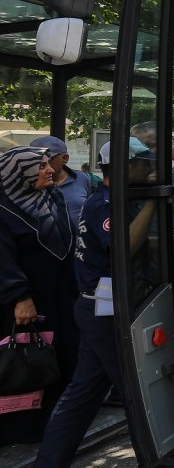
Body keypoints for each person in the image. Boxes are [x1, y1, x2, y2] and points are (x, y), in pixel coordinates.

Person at [35, 139, 174, 468]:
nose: (150, 168)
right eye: (143, 164)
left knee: (83, 394)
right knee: (134, 388)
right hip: (105, 309)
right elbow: (125, 245)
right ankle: (156, 458)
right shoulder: (105, 203)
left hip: (103, 307)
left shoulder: (114, 200)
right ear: (126, 167)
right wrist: (155, 201)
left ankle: (50, 461)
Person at [0, 146, 78, 446]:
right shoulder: (4, 209)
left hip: (59, 293)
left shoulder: (51, 197)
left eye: (48, 164)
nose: (49, 170)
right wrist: (20, 296)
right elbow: (3, 259)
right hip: (24, 301)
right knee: (24, 360)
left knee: (57, 355)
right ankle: (21, 431)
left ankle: (54, 424)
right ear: (19, 173)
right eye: (41, 166)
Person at [31, 136, 94, 228]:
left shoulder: (82, 179)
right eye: (36, 160)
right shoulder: (30, 182)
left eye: (49, 160)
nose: (41, 164)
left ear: (65, 158)